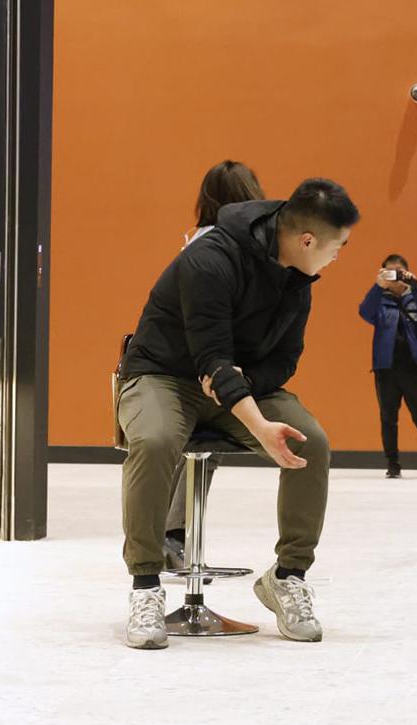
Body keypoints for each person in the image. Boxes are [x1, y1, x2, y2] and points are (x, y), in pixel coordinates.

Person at [117, 178, 360, 649]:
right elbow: (211, 358)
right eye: (338, 247)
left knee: (311, 441)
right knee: (155, 440)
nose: (338, 257)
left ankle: (287, 576)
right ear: (307, 240)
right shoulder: (210, 259)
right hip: (163, 375)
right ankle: (145, 584)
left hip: (237, 385)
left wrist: (245, 387)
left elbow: (285, 360)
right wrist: (257, 422)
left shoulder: (298, 278)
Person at [164, 160, 265, 570]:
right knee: (205, 448)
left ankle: (172, 534)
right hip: (208, 368)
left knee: (197, 454)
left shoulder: (197, 241)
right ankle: (173, 535)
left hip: (189, 365)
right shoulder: (229, 247)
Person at [358, 254, 417, 479]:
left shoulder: (414, 298)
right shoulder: (379, 301)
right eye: (389, 272)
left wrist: (415, 286)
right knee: (388, 418)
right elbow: (364, 312)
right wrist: (377, 287)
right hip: (385, 368)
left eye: (399, 272)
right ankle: (393, 465)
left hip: (413, 367)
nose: (395, 277)